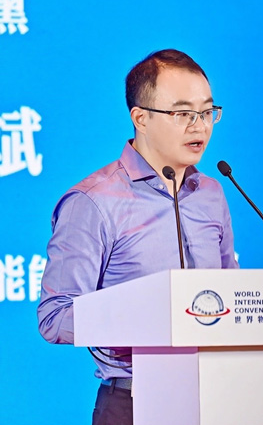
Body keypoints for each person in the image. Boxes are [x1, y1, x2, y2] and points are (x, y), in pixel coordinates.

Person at [37, 49, 239, 425]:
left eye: (207, 112)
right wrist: (144, 321)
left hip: (216, 397)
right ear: (141, 118)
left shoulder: (211, 193)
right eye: (183, 114)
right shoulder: (94, 201)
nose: (200, 126)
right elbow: (55, 316)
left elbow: (231, 292)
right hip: (134, 402)